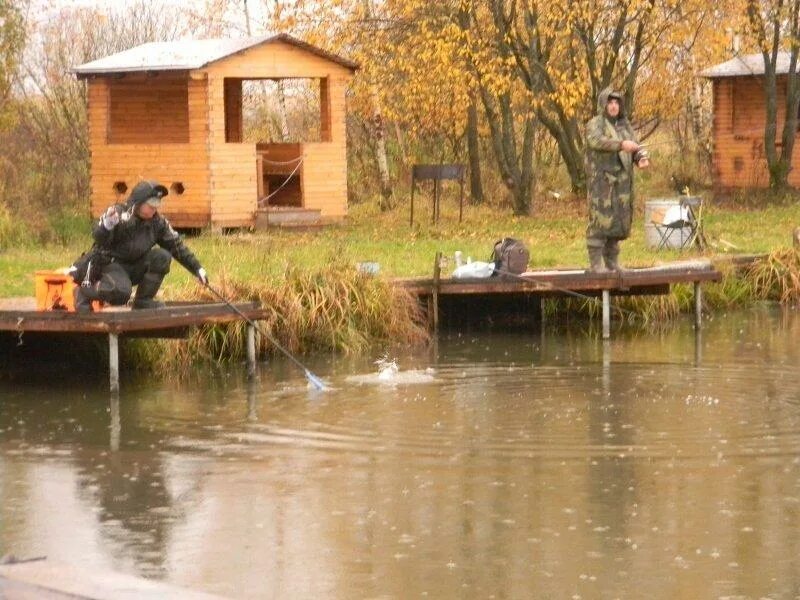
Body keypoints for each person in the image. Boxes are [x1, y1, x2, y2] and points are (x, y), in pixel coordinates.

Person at [71, 180, 209, 312]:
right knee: (121, 292)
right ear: (139, 202)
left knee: (162, 256)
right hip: (109, 265)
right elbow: (99, 238)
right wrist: (107, 226)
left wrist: (197, 269)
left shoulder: (158, 223)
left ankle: (143, 301)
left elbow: (177, 247)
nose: (154, 208)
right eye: (150, 204)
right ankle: (83, 292)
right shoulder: (119, 213)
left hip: (134, 265)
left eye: (157, 204)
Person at [584, 87, 650, 273]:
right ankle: (596, 265)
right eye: (610, 103)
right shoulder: (595, 123)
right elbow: (596, 141)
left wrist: (640, 158)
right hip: (602, 183)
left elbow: (635, 147)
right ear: (603, 104)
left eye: (616, 103)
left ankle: (612, 262)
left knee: (617, 223)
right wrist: (621, 145)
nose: (613, 106)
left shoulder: (624, 125)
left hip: (623, 185)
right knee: (600, 221)